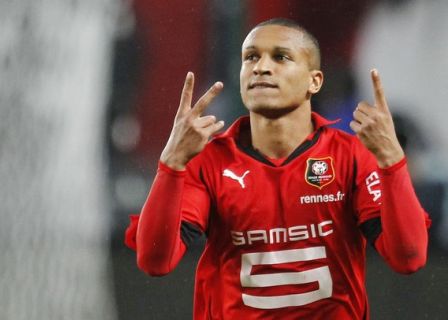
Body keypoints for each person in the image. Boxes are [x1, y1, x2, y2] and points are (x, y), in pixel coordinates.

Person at [125, 18, 430, 319]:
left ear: (314, 81)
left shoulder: (351, 157)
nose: (261, 66)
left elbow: (408, 258)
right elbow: (155, 261)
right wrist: (171, 164)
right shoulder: (209, 161)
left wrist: (392, 161)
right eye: (251, 57)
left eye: (281, 57)